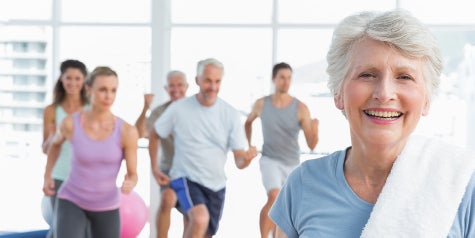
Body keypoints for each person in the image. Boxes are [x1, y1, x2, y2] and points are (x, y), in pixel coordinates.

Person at [269, 9, 475, 238]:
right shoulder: (304, 184)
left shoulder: (461, 184)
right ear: (338, 93)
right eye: (367, 74)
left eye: (404, 77)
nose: (384, 93)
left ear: (426, 99)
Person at [149, 58, 258, 238]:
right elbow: (154, 134)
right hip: (184, 177)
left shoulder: (230, 114)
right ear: (197, 80)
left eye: (217, 81)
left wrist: (246, 159)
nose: (213, 87)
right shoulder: (179, 108)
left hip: (216, 185)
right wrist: (154, 168)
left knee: (203, 232)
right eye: (208, 81)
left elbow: (239, 159)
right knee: (199, 219)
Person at [43, 66, 139, 238]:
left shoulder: (127, 132)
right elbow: (55, 145)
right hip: (72, 199)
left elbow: (133, 174)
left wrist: (130, 182)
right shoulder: (70, 124)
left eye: (113, 90)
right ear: (88, 90)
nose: (108, 95)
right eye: (102, 89)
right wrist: (47, 175)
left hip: (107, 205)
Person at [244, 62, 319, 238]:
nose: (286, 82)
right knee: (274, 195)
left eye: (289, 78)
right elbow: (248, 123)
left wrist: (315, 129)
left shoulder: (301, 108)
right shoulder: (261, 104)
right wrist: (250, 145)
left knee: (287, 207)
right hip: (269, 159)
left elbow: (312, 144)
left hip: (291, 162)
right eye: (282, 78)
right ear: (274, 79)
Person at [135, 70, 189, 238]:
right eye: (171, 86)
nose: (176, 89)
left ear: (186, 87)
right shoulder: (160, 112)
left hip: (194, 171)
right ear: (166, 89)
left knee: (191, 213)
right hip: (169, 170)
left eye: (179, 85)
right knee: (167, 199)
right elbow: (139, 132)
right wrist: (145, 107)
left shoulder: (197, 109)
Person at [42, 59, 88, 237]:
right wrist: (54, 137)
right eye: (69, 78)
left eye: (78, 78)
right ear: (61, 79)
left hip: (86, 178)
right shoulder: (52, 110)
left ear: (84, 81)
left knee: (83, 228)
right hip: (59, 177)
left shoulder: (92, 109)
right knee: (60, 228)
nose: (73, 83)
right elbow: (46, 148)